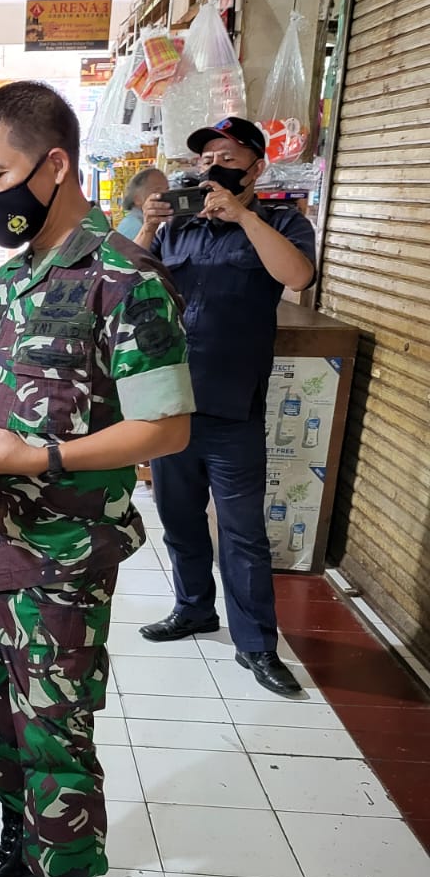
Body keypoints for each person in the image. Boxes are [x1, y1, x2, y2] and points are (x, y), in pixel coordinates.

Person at [0, 82, 194, 877]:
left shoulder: (125, 277)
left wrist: (35, 458)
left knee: (57, 732)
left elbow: (166, 424)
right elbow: (13, 393)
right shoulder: (11, 280)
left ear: (53, 166)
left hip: (61, 555)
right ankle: (18, 850)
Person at [134, 115, 317, 698]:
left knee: (241, 533)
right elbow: (127, 282)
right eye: (205, 156)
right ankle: (193, 609)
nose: (213, 165)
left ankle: (258, 644)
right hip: (170, 404)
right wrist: (145, 229)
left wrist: (242, 217)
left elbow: (298, 276)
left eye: (228, 156)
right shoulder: (177, 227)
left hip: (233, 408)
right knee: (181, 518)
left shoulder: (282, 222)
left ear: (256, 168)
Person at [115, 167, 168, 239]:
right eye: (157, 192)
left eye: (167, 190)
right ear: (137, 199)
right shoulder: (133, 226)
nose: (166, 196)